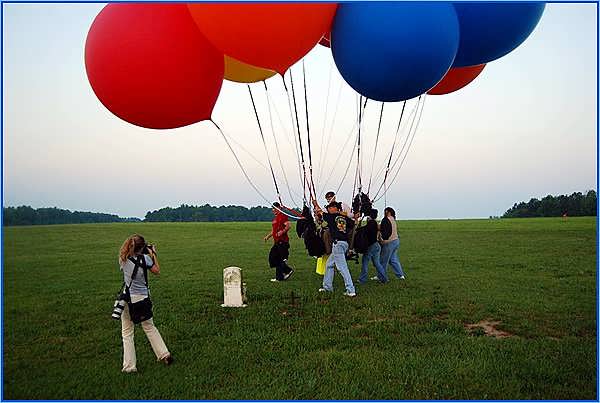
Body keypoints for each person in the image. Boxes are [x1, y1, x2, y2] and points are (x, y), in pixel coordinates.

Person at [118, 234, 172, 373]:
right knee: (149, 327)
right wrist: (153, 254)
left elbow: (129, 258)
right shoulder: (145, 259)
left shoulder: (123, 259)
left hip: (127, 298)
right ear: (142, 247)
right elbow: (157, 271)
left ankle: (129, 366)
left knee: (127, 332)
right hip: (142, 298)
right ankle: (164, 354)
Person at [312, 199, 356, 297]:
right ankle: (327, 287)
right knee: (329, 265)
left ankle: (350, 290)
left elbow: (320, 212)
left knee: (342, 268)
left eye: (330, 208)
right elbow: (353, 223)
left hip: (338, 244)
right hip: (344, 244)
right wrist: (342, 213)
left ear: (334, 208)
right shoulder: (344, 218)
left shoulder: (331, 216)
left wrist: (315, 204)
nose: (328, 209)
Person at [264, 202, 294, 282]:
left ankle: (280, 277)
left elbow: (288, 225)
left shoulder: (282, 216)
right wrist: (268, 236)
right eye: (273, 208)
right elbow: (273, 231)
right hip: (276, 242)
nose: (274, 210)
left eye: (275, 208)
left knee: (278, 259)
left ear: (279, 208)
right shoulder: (276, 218)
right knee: (273, 258)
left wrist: (282, 231)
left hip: (282, 241)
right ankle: (286, 271)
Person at [358, 209, 387, 284]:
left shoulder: (371, 223)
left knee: (365, 263)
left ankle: (362, 279)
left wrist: (357, 227)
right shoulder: (374, 223)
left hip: (371, 246)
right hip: (376, 245)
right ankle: (384, 279)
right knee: (377, 263)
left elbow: (364, 230)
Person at [379, 207, 406, 279]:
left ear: (389, 212)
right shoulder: (393, 219)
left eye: (386, 211)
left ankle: (381, 276)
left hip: (389, 242)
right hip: (396, 241)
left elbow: (383, 230)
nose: (385, 213)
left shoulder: (386, 220)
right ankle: (400, 275)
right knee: (393, 259)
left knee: (383, 260)